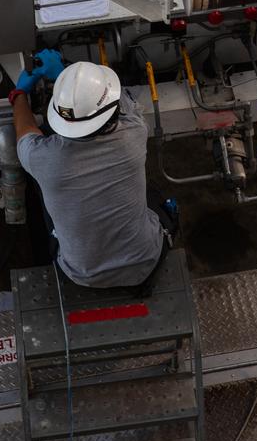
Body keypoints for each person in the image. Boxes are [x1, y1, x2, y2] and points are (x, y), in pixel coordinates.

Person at [9, 50, 168, 288]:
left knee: (42, 195)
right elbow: (119, 102)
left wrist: (19, 94)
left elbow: (24, 131)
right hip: (145, 262)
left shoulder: (43, 158)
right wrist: (67, 75)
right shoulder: (135, 132)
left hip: (81, 275)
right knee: (155, 195)